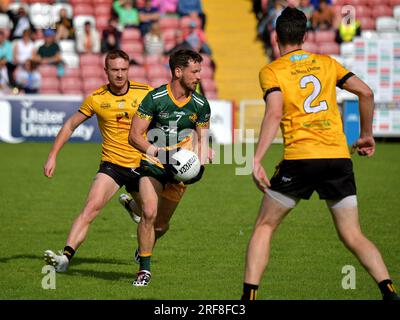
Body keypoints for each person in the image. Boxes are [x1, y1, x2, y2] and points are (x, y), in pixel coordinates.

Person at [241, 7, 400, 301]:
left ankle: (247, 299)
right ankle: (389, 291)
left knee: (265, 226)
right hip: (337, 157)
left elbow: (275, 112)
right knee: (353, 235)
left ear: (275, 37)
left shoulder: (272, 70)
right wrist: (366, 135)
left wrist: (257, 158)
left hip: (301, 158)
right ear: (304, 36)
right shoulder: (327, 63)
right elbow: (366, 92)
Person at [43, 49, 153, 272]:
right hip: (112, 165)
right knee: (90, 208)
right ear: (106, 71)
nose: (120, 75)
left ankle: (132, 206)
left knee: (155, 219)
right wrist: (53, 155)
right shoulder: (96, 98)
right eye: (115, 70)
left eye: (124, 69)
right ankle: (65, 258)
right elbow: (70, 125)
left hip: (143, 166)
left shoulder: (146, 93)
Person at [128, 49, 211, 286]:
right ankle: (144, 270)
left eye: (200, 71)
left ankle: (144, 246)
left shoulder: (201, 105)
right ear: (178, 71)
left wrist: (201, 163)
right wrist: (158, 153)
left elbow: (202, 140)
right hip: (153, 164)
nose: (199, 76)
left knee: (161, 226)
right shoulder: (155, 99)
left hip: (180, 170)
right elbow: (134, 136)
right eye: (194, 71)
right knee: (149, 213)